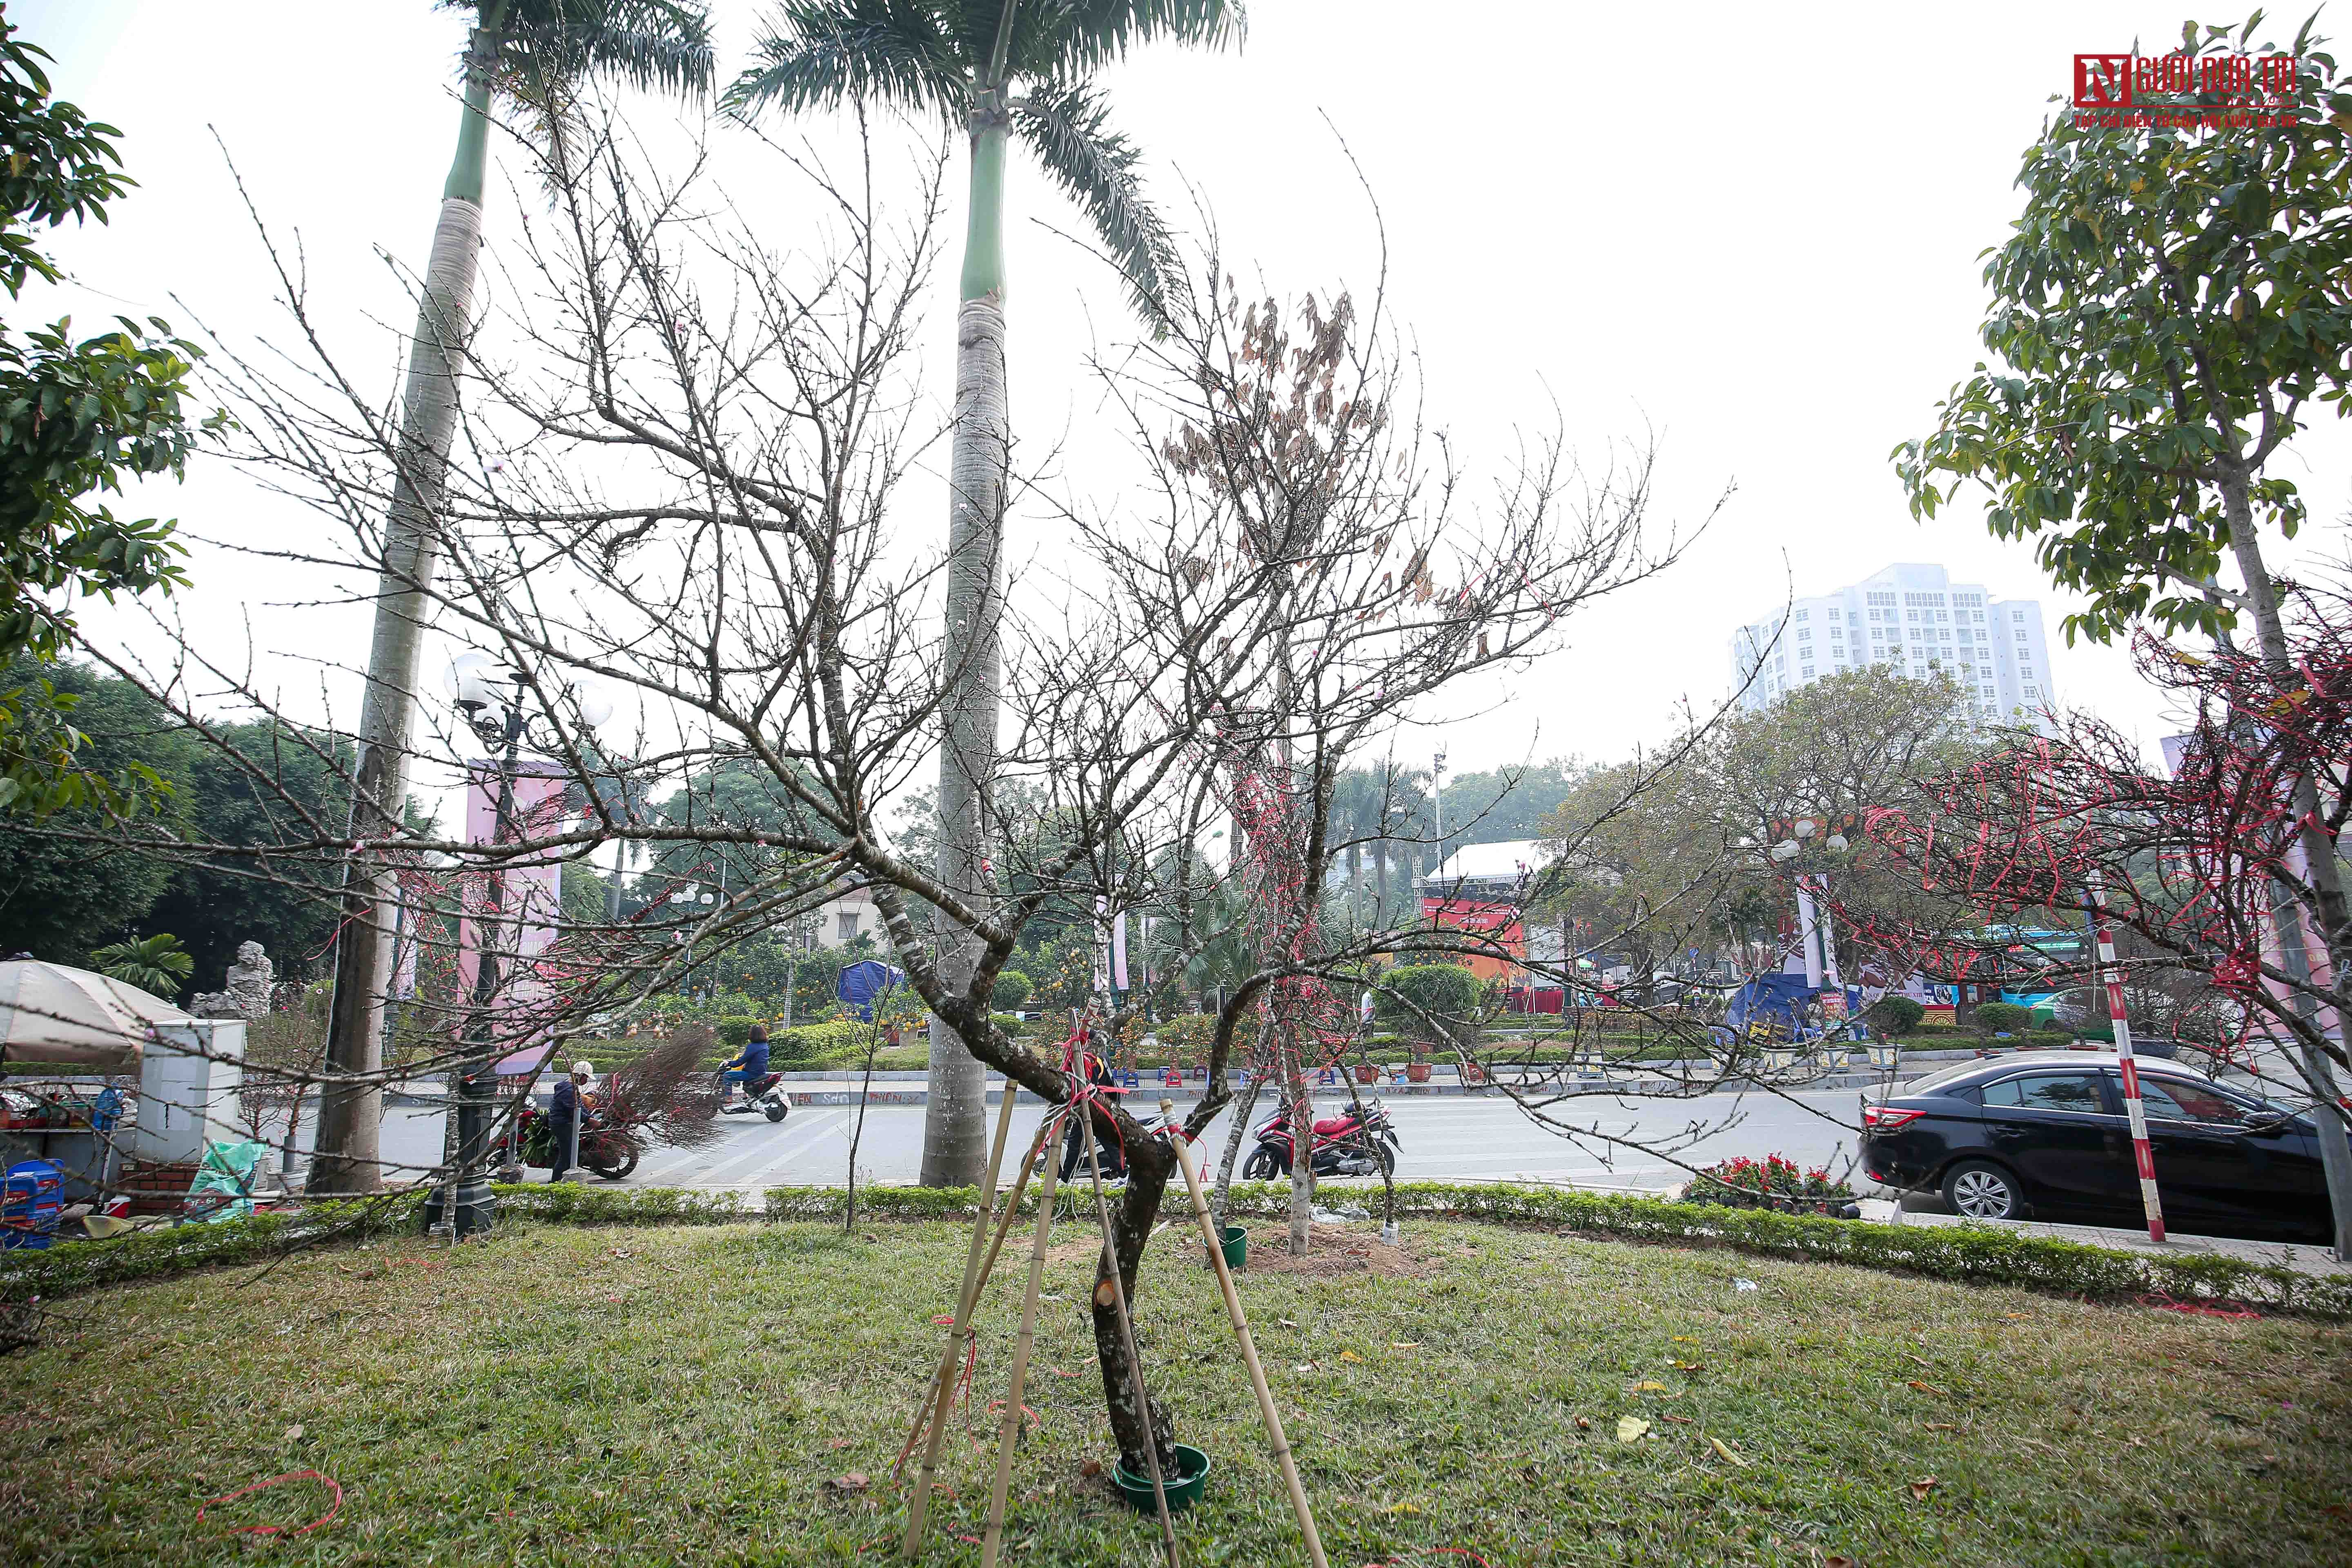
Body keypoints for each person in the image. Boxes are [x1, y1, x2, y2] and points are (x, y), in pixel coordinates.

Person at [549, 1061, 592, 1182]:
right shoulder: (568, 1091)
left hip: (564, 1124)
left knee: (569, 1155)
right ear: (580, 1075)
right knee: (566, 1157)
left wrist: (590, 1116)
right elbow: (574, 1111)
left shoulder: (572, 1088)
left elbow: (580, 1106)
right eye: (586, 1077)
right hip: (562, 1125)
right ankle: (555, 1183)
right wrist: (589, 1120)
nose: (586, 1080)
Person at [724, 1025, 773, 1106]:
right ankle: (745, 1095)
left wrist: (730, 1063)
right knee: (743, 1073)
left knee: (727, 1076)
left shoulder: (753, 1046)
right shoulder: (764, 1045)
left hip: (752, 1073)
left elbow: (742, 1060)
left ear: (752, 1035)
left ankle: (728, 1098)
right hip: (761, 1072)